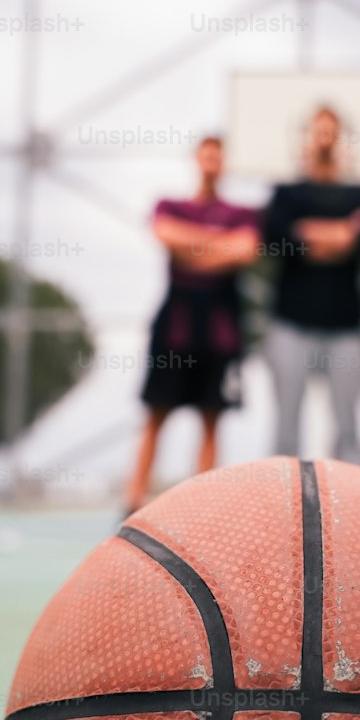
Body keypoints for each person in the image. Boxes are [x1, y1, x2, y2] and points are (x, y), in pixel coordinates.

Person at [125, 135, 261, 512]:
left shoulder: (242, 214)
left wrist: (193, 248)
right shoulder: (170, 204)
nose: (211, 163)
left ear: (225, 162)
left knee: (212, 418)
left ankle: (202, 509)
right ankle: (132, 502)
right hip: (176, 324)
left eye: (218, 156)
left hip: (220, 327)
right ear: (196, 160)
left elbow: (245, 249)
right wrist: (219, 244)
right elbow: (166, 235)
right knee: (156, 412)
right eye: (206, 156)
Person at [263, 106, 360, 464]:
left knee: (348, 428)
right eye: (318, 130)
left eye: (331, 131)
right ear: (307, 137)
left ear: (340, 137)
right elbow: (275, 235)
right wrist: (343, 232)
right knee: (286, 430)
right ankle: (282, 513)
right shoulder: (287, 193)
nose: (324, 138)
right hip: (290, 322)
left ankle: (348, 515)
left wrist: (312, 234)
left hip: (346, 325)